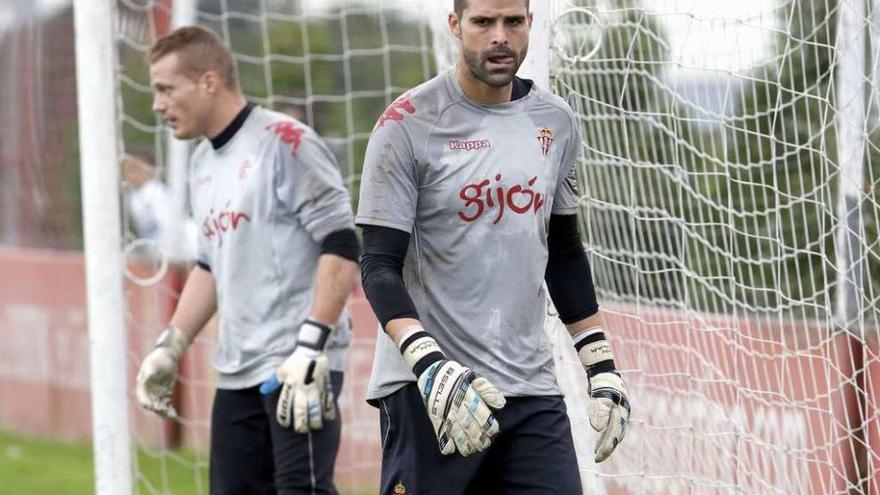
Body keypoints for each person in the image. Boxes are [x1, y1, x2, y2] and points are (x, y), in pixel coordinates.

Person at [356, 0, 631, 493]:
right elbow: (378, 265)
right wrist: (428, 364)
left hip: (532, 392)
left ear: (530, 23)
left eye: (513, 22)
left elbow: (564, 252)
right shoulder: (407, 122)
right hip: (431, 391)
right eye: (483, 23)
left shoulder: (557, 122)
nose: (500, 36)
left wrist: (601, 364)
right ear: (456, 26)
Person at [134, 25, 360, 495]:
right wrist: (170, 346)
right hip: (237, 371)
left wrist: (311, 347)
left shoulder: (285, 141)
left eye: (166, 89)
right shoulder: (200, 163)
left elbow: (341, 244)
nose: (157, 104)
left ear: (209, 82)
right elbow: (209, 265)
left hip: (297, 363)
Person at [121, 152, 199, 261]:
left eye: (135, 170)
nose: (130, 175)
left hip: (187, 245)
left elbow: (169, 226)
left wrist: (168, 253)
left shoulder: (155, 192)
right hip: (163, 249)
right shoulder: (134, 196)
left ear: (150, 170)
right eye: (127, 171)